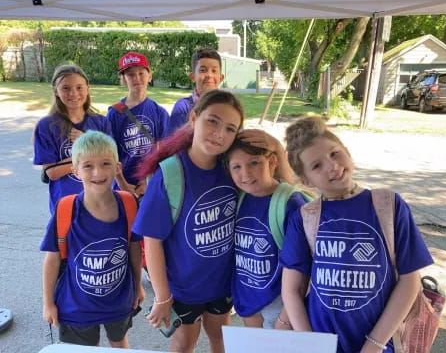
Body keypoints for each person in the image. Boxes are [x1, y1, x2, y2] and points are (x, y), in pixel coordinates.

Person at [134, 89, 289, 353]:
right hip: (183, 288)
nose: (219, 133)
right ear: (194, 118)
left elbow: (279, 188)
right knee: (185, 342)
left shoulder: (233, 168)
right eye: (212, 121)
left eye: (230, 129)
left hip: (223, 283)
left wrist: (277, 148)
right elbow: (152, 240)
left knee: (221, 338)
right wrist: (162, 296)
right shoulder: (171, 172)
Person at [280, 116, 434, 353]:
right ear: (306, 180)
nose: (332, 166)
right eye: (317, 165)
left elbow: (409, 279)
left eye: (334, 153)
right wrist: (310, 344)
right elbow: (291, 289)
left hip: (381, 342)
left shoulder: (388, 205)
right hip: (323, 342)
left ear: (347, 152)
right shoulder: (305, 217)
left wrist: (374, 345)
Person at [41, 130, 145, 348]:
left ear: (117, 167)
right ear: (75, 171)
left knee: (119, 343)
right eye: (88, 165)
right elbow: (51, 260)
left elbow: (134, 248)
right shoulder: (66, 209)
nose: (98, 172)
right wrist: (48, 302)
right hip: (76, 306)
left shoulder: (128, 205)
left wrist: (138, 284)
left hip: (119, 300)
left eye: (106, 163)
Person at [225, 138, 307, 330]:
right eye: (236, 166)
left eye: (254, 163)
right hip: (249, 302)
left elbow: (304, 268)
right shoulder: (240, 197)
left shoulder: (292, 204)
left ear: (272, 162)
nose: (245, 173)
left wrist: (286, 317)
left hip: (278, 305)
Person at [33, 64, 112, 214]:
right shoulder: (46, 126)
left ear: (88, 88)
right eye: (66, 88)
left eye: (79, 87)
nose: (73, 93)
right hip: (66, 206)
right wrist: (90, 154)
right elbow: (52, 172)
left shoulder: (101, 122)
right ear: (56, 91)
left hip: (101, 203)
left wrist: (88, 143)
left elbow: (111, 164)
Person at [107, 52, 169, 197]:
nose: (137, 78)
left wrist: (149, 180)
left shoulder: (159, 112)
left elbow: (164, 152)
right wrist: (121, 182)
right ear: (123, 80)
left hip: (150, 183)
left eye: (141, 73)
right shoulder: (115, 114)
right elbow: (109, 153)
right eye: (130, 75)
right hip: (122, 185)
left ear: (150, 76)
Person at [167, 48, 224, 135]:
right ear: (193, 77)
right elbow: (173, 144)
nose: (209, 75)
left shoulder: (228, 108)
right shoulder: (183, 108)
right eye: (203, 70)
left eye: (214, 71)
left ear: (221, 78)